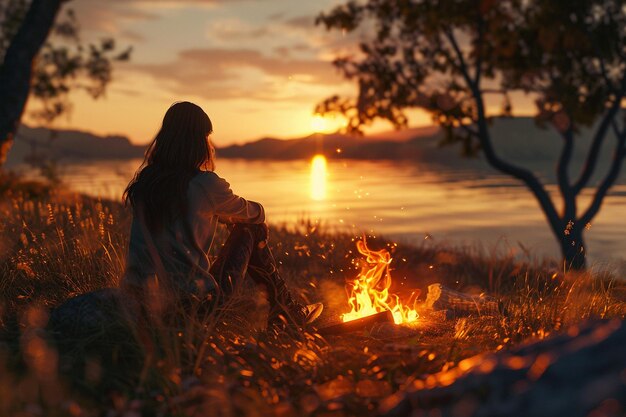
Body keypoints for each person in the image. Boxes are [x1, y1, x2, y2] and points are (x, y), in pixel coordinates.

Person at [121, 101, 323, 329]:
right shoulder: (205, 184)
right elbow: (256, 213)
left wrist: (219, 213)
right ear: (198, 141)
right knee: (251, 228)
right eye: (206, 137)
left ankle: (284, 311)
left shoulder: (146, 182)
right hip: (197, 308)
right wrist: (231, 216)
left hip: (144, 307)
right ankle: (286, 311)